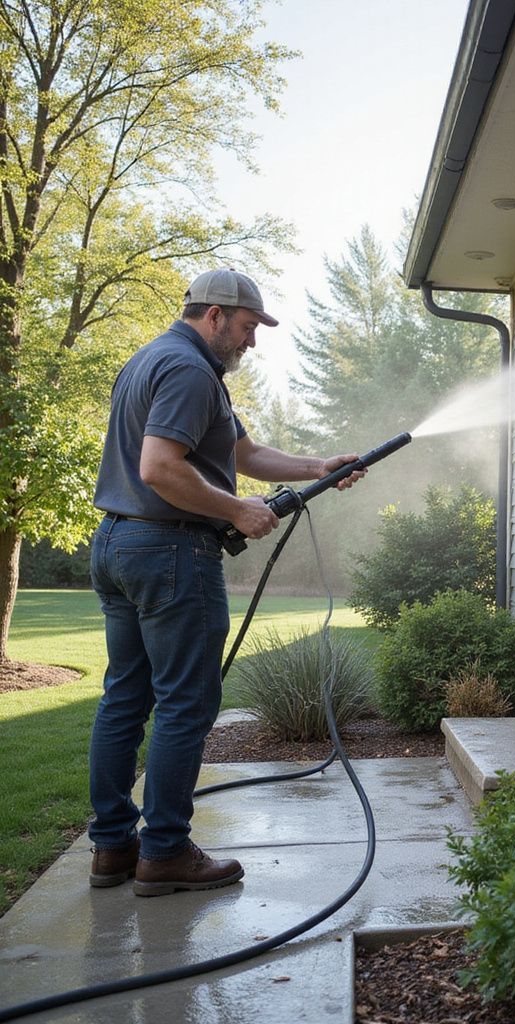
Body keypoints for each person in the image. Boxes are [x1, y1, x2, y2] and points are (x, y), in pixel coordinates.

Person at [87, 268, 364, 897]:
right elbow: (160, 468)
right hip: (170, 552)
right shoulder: (188, 371)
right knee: (186, 704)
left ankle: (113, 849)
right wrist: (238, 511)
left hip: (119, 546)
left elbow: (243, 454)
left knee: (126, 700)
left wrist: (317, 463)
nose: (251, 343)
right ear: (214, 316)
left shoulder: (154, 360)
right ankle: (163, 854)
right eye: (246, 328)